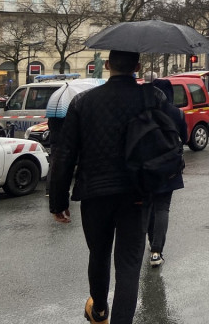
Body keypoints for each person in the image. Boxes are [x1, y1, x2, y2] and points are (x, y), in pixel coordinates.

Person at [49, 50, 179, 324]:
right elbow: (176, 129)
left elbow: (65, 153)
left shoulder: (83, 101)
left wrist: (58, 201)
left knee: (98, 253)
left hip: (95, 192)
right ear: (138, 66)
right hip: (137, 191)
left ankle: (98, 309)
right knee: (129, 266)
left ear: (107, 65)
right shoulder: (152, 97)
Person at [146, 78, 187, 268]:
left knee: (148, 206)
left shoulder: (143, 112)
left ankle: (150, 240)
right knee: (162, 208)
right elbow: (185, 138)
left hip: (145, 166)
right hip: (169, 166)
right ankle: (156, 251)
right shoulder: (177, 113)